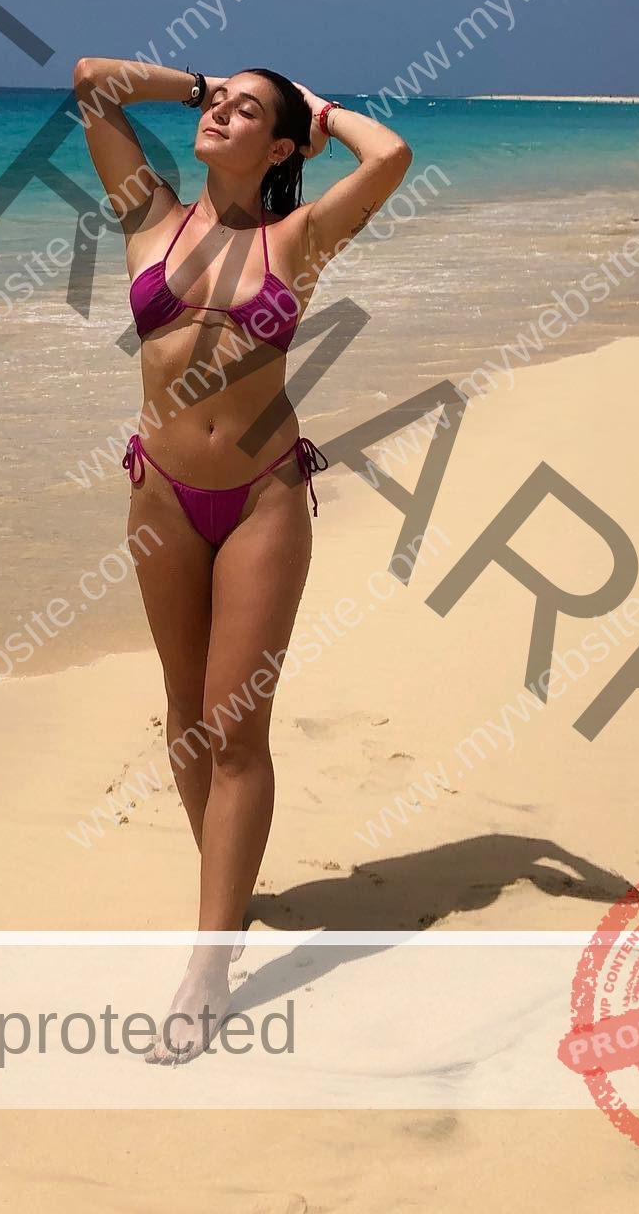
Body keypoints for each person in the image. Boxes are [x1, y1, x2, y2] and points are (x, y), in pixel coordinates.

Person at [72, 58, 412, 1063]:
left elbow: (391, 155)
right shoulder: (148, 214)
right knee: (184, 713)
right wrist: (196, 84)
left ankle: (207, 965)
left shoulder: (297, 239)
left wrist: (320, 110)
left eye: (244, 112)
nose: (221, 113)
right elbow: (93, 82)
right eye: (219, 105)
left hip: (261, 494)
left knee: (235, 730)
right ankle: (229, 893)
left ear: (280, 147)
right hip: (161, 494)